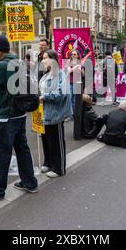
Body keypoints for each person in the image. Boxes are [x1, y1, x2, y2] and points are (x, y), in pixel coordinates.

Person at [0, 35, 38, 200]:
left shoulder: (2, 65)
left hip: (5, 115)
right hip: (20, 112)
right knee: (22, 149)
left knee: (2, 153)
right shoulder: (19, 62)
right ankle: (29, 182)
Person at [39, 49, 72, 178]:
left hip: (56, 113)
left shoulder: (61, 74)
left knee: (56, 140)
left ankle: (59, 168)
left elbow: (61, 94)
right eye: (42, 58)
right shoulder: (45, 75)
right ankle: (48, 162)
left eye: (45, 58)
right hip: (44, 112)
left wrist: (44, 97)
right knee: (46, 140)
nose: (43, 60)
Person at [67, 50, 84, 114]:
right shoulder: (69, 62)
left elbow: (83, 74)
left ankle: (75, 113)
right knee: (70, 98)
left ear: (77, 55)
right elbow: (69, 71)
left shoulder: (80, 63)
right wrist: (76, 66)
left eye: (74, 54)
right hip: (70, 82)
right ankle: (70, 113)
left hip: (77, 83)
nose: (73, 55)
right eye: (72, 54)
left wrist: (81, 70)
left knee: (75, 99)